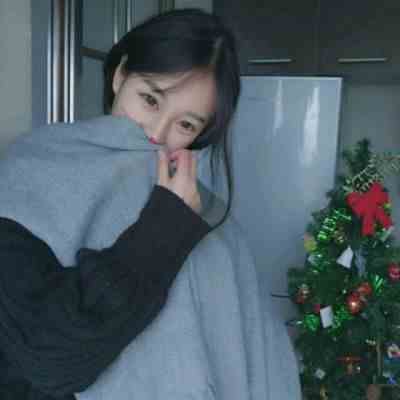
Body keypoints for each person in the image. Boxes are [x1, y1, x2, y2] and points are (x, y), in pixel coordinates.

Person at [0, 8, 241, 400]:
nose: (156, 135)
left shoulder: (200, 212)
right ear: (119, 76)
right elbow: (49, 358)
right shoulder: (30, 168)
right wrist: (161, 231)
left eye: (185, 125)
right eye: (150, 99)